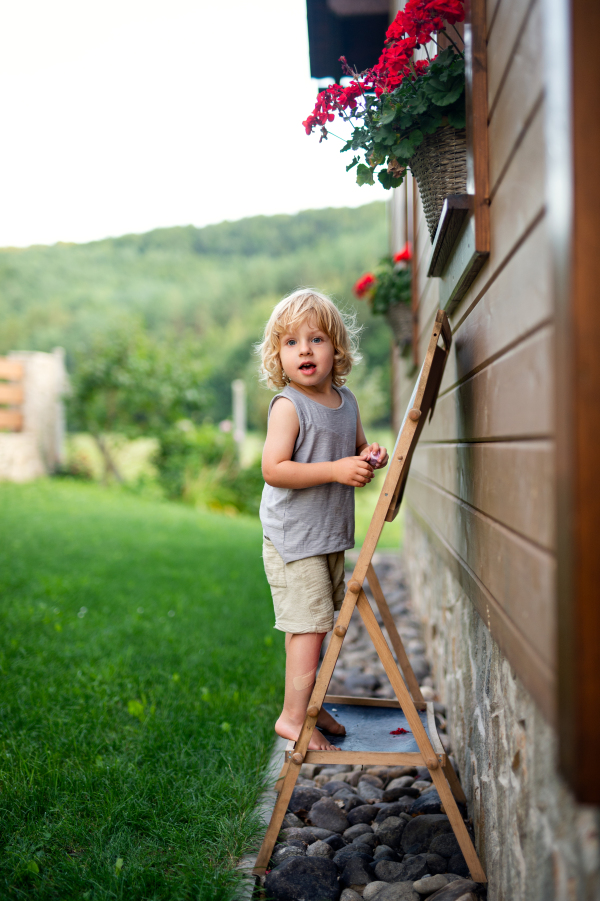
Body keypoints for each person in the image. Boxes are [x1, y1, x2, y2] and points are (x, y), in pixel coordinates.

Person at [257, 288, 388, 751]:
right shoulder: (289, 407)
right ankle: (294, 719)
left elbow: (355, 448)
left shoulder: (345, 401)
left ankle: (313, 704)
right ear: (279, 356)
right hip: (295, 539)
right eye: (291, 343)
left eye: (316, 339)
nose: (305, 350)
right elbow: (274, 469)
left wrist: (369, 455)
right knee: (308, 626)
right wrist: (335, 470)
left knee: (322, 620)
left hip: (327, 534)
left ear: (337, 348)